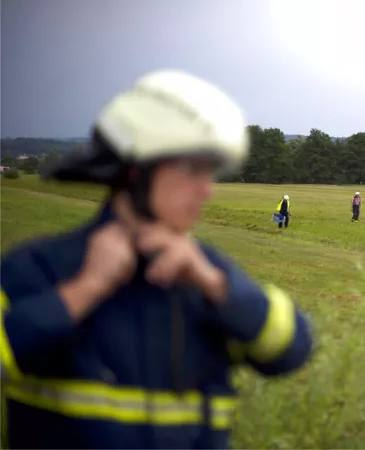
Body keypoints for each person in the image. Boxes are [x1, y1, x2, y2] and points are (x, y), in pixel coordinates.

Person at [0, 70, 314, 449]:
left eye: (210, 172)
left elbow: (292, 350)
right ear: (135, 170)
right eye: (191, 170)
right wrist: (83, 290)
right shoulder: (37, 269)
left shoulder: (208, 276)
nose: (207, 189)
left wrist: (214, 285)